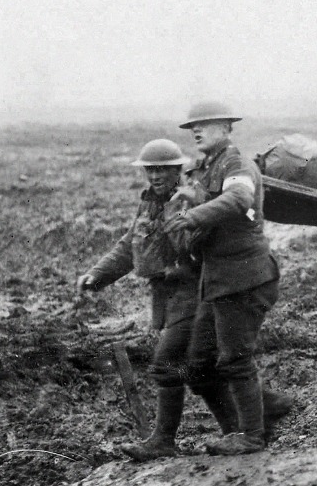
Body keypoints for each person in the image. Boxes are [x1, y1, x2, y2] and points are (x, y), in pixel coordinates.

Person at [78, 139, 292, 462]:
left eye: (163, 169)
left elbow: (207, 231)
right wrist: (99, 274)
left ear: (178, 169)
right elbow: (132, 244)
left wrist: (187, 214)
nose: (155, 176)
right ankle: (252, 416)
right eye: (150, 170)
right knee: (198, 369)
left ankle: (166, 439)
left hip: (198, 292)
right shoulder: (151, 202)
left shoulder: (190, 196)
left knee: (170, 363)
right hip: (175, 296)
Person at [162, 101, 282, 456]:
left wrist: (194, 216)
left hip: (245, 278)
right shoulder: (204, 169)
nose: (196, 131)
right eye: (192, 127)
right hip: (217, 282)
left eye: (205, 125)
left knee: (234, 360)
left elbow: (240, 195)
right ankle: (247, 424)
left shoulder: (235, 163)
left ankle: (253, 435)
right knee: (197, 366)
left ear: (227, 128)